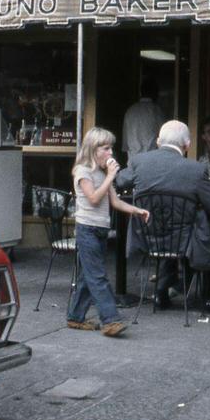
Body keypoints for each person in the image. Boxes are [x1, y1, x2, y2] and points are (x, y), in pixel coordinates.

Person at [116, 120, 210, 314]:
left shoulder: (138, 162)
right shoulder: (195, 170)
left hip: (149, 236)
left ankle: (161, 292)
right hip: (185, 241)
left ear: (158, 141)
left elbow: (120, 181)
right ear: (187, 145)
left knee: (170, 225)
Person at [66, 128, 150, 336]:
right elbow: (94, 198)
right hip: (87, 228)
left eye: (111, 148)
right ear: (94, 149)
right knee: (98, 277)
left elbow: (115, 201)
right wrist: (111, 175)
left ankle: (75, 317)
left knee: (89, 275)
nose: (111, 152)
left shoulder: (103, 172)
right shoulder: (82, 171)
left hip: (101, 229)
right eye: (106, 148)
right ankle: (110, 320)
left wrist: (136, 210)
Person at [121, 78, 166, 156]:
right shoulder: (156, 110)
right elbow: (163, 137)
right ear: (155, 92)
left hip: (133, 160)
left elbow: (125, 144)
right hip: (151, 159)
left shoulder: (130, 110)